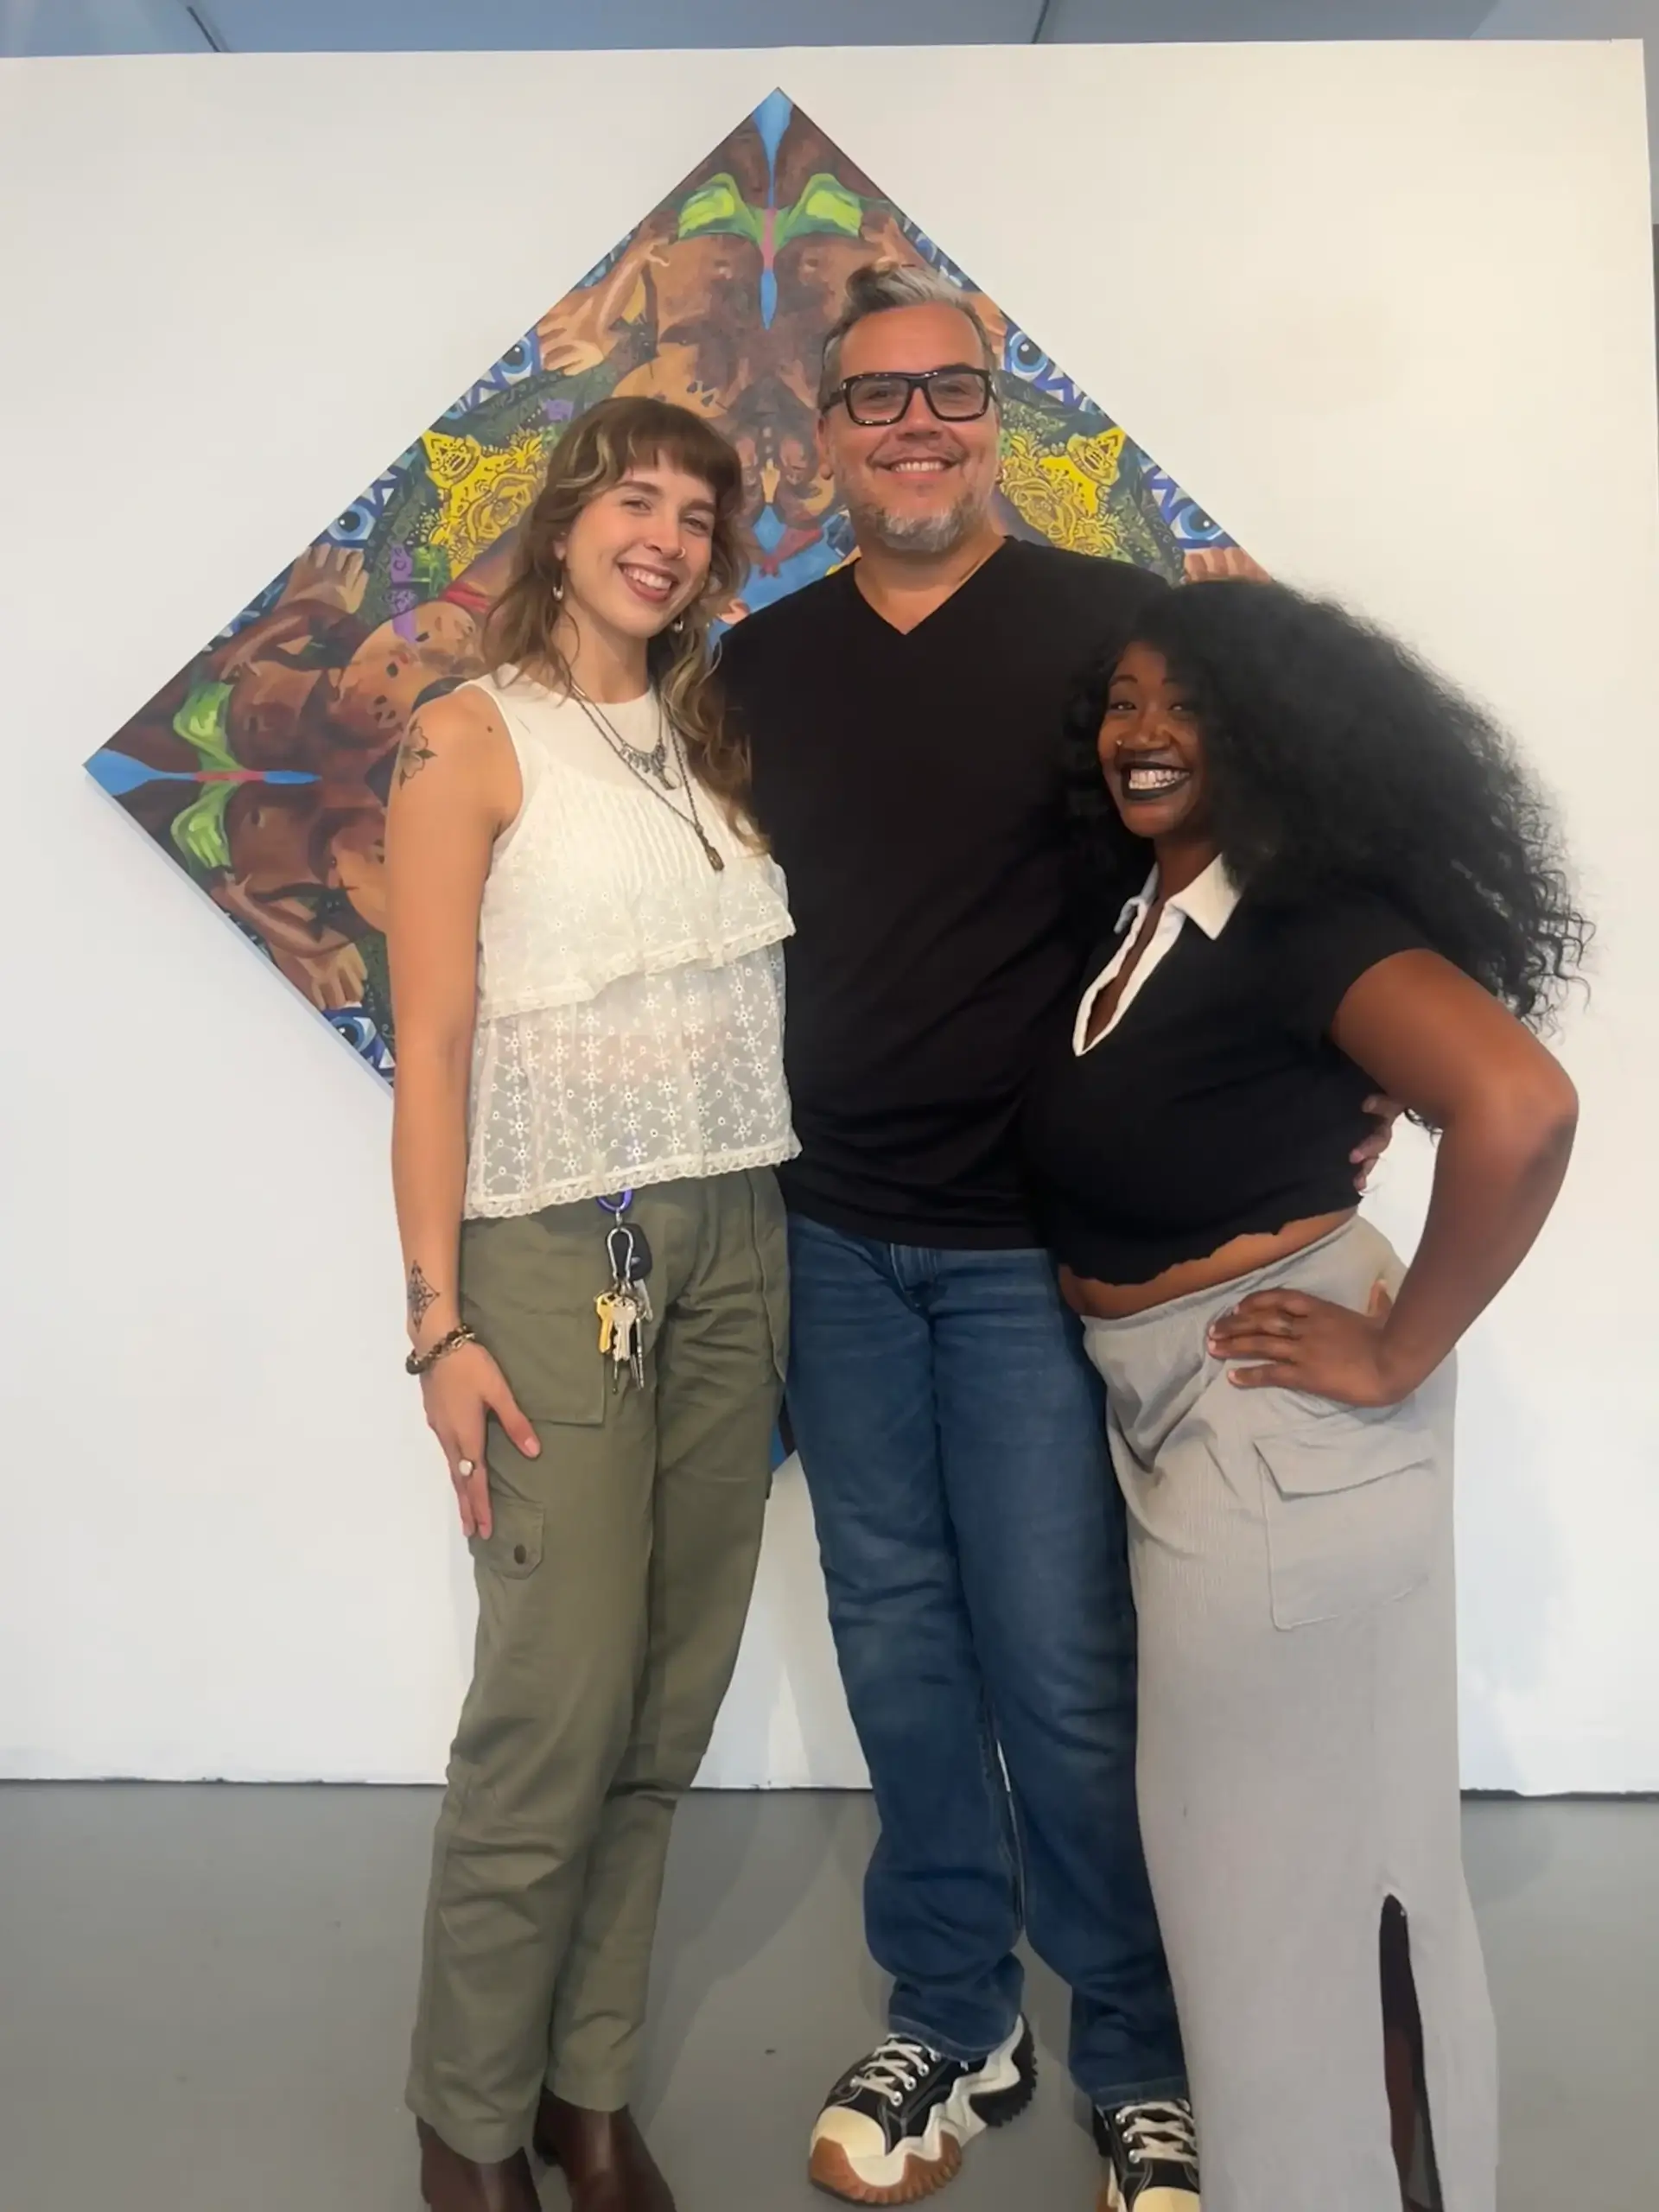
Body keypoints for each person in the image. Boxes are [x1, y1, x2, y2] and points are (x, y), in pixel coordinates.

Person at [716, 258, 1384, 2209]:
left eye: (952, 391)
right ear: (826, 434)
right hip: (833, 1231)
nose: (917, 425)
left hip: (1031, 1245)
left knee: (1067, 1669)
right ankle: (954, 2010)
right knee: (896, 1646)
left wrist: (1358, 1057)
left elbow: (1290, 842)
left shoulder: (1117, 634)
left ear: (992, 417)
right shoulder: (759, 666)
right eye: (878, 397)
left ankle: (1137, 2051)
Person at [1022, 577, 1586, 2211]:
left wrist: (1399, 1352)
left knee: (1296, 1898)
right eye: (1127, 702)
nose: (1147, 732)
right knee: (1292, 1889)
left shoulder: (1302, 919)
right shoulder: (1158, 913)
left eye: (1194, 704)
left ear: (1271, 734)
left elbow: (1521, 1105)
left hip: (1276, 1427)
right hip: (1195, 1418)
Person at [387, 395, 795, 2212]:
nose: (666, 538)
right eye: (635, 500)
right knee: (552, 1708)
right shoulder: (469, 737)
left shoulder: (706, 739)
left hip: (739, 1238)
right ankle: (468, 2121)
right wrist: (437, 1324)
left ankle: (590, 2091)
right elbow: (433, 1047)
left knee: (670, 1697)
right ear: (562, 523)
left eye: (697, 517)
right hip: (558, 1253)